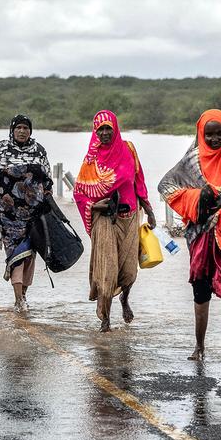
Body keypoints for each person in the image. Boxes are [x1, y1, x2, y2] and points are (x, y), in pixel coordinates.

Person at [158, 109, 221, 368]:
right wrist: (199, 198)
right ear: (201, 133)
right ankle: (199, 347)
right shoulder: (192, 160)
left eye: (219, 133)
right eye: (209, 134)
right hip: (201, 233)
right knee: (201, 291)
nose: (214, 139)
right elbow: (167, 186)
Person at [72, 110, 155, 333]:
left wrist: (149, 208)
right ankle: (105, 319)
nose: (105, 133)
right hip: (105, 219)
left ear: (115, 128)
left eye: (109, 128)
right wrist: (94, 206)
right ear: (95, 131)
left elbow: (139, 179)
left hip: (129, 217)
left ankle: (124, 299)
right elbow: (80, 193)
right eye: (101, 129)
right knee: (106, 270)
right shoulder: (92, 159)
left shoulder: (128, 149)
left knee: (129, 272)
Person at [0, 114, 52, 313]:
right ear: (12, 129)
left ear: (30, 131)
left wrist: (49, 207)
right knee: (16, 255)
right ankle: (19, 299)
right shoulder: (1, 149)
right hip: (8, 216)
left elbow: (48, 182)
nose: (22, 131)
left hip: (33, 215)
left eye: (26, 128)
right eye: (18, 127)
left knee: (30, 256)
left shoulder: (39, 151)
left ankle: (23, 294)